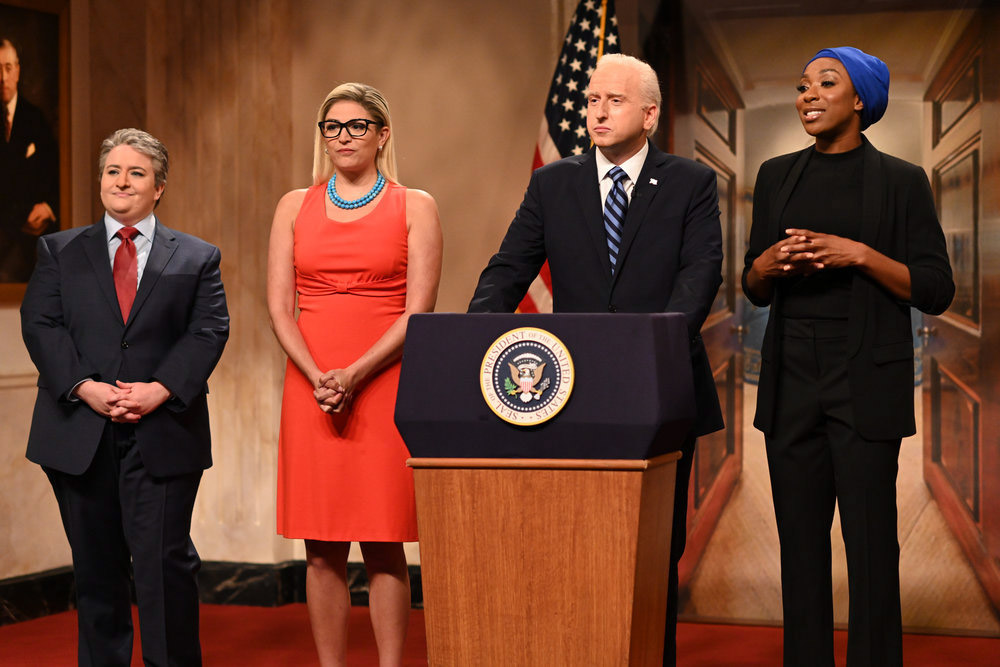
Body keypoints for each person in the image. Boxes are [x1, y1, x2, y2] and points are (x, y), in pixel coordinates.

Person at [468, 53, 724, 667]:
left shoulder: (689, 182)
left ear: (650, 113)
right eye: (590, 101)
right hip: (569, 392)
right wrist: (473, 335)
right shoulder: (554, 182)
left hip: (658, 389)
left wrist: (650, 349)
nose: (597, 111)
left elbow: (699, 275)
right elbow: (510, 268)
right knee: (575, 539)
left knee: (654, 543)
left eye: (613, 100)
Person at [742, 47, 954, 666]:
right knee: (800, 552)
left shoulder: (902, 181)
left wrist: (857, 254)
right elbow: (754, 287)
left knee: (870, 550)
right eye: (802, 85)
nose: (807, 95)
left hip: (866, 380)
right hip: (792, 381)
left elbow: (936, 289)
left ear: (859, 99)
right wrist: (763, 266)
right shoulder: (776, 175)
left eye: (825, 84)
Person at [20, 128, 229, 665]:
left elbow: (208, 330)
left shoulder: (198, 256)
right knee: (95, 570)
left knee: (165, 568)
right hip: (79, 435)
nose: (122, 181)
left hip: (163, 432)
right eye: (113, 170)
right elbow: (41, 325)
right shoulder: (58, 250)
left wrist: (159, 389)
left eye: (136, 172)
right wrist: (84, 388)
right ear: (100, 181)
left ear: (158, 186)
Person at [267, 82, 442, 666]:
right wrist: (320, 375)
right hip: (310, 384)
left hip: (385, 380)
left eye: (356, 126)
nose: (343, 136)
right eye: (333, 127)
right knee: (320, 546)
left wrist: (355, 373)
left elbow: (419, 311)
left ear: (381, 134)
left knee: (385, 541)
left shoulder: (415, 204)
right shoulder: (294, 204)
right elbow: (278, 307)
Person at [0, 37, 59, 282]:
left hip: (31, 241)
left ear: (18, 70)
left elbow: (57, 172)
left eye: (8, 68)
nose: (2, 77)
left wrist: (49, 208)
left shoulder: (35, 118)